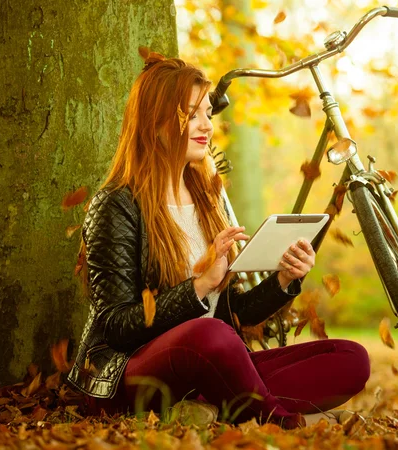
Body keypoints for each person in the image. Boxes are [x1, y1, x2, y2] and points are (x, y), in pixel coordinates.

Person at [65, 50, 370, 429]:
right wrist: (198, 287)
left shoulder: (209, 198)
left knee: (350, 357)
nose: (205, 125)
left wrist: (283, 281)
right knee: (209, 335)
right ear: (155, 120)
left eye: (207, 113)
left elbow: (232, 317)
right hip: (135, 373)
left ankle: (212, 407)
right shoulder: (116, 204)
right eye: (191, 114)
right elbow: (117, 326)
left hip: (210, 361)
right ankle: (279, 421)